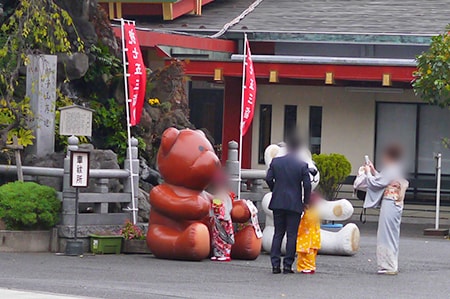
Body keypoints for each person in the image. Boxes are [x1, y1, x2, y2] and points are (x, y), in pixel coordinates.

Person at [265, 135, 312, 274]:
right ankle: (287, 265)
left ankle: (275, 265)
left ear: (287, 146)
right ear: (298, 148)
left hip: (278, 201)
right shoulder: (302, 165)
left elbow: (268, 178)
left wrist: (275, 189)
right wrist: (306, 202)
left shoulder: (276, 162)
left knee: (278, 233)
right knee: (292, 234)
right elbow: (307, 185)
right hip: (294, 203)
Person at [364, 144, 409, 275]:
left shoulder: (391, 168)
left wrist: (367, 172)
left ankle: (388, 265)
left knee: (386, 233)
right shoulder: (396, 168)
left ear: (389, 156)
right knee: (392, 232)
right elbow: (382, 179)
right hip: (395, 202)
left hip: (390, 202)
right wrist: (373, 171)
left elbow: (376, 183)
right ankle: (390, 264)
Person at [210, 171, 234, 262]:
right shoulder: (216, 195)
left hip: (224, 218)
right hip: (216, 219)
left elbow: (228, 207)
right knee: (216, 236)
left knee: (224, 236)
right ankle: (217, 253)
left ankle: (225, 253)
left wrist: (224, 217)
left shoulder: (225, 195)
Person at [296, 192, 321, 274]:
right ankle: (310, 266)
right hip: (314, 237)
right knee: (311, 254)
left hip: (306, 237)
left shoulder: (307, 214)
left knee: (305, 255)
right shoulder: (315, 212)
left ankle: (307, 267)